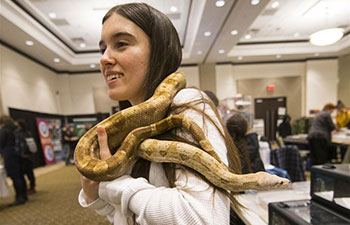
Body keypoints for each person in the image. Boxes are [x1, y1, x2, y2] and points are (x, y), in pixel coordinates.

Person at [78, 3, 242, 224]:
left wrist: (112, 183)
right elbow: (132, 215)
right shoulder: (133, 122)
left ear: (159, 51)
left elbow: (205, 218)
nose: (104, 58)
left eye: (121, 44)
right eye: (103, 48)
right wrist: (95, 194)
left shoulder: (188, 102)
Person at [0, 115, 28, 206]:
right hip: (19, 155)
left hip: (10, 156)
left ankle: (19, 197)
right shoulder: (16, 128)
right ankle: (24, 196)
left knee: (15, 177)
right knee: (20, 175)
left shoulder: (4, 130)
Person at [15, 119, 37, 194]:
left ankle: (27, 189)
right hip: (29, 155)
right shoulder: (28, 133)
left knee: (23, 173)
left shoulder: (18, 134)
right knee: (30, 172)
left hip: (23, 156)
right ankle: (32, 186)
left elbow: (20, 146)